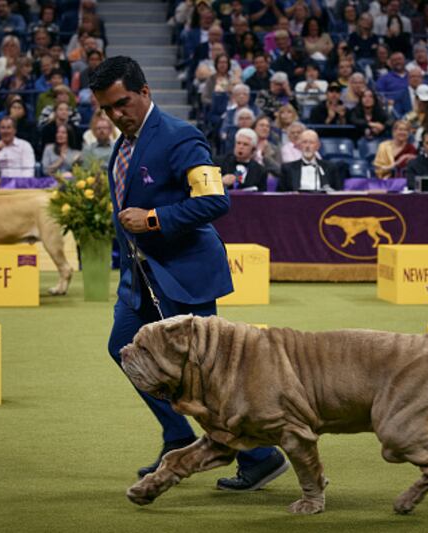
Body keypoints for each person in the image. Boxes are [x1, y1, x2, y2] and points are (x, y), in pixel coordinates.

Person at [91, 55, 289, 490]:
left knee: (206, 374)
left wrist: (154, 219)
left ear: (145, 92)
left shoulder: (181, 136)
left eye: (122, 103)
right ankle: (179, 436)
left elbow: (215, 201)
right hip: (140, 280)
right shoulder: (124, 143)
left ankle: (260, 456)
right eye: (107, 109)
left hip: (185, 272)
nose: (115, 114)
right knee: (123, 348)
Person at [278, 129, 342, 191]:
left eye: (311, 142)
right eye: (304, 142)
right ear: (299, 146)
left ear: (318, 146)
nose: (307, 146)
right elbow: (280, 196)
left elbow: (337, 193)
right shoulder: (287, 168)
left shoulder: (330, 167)